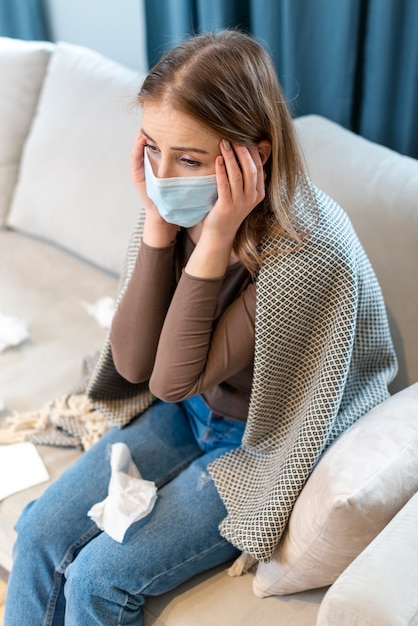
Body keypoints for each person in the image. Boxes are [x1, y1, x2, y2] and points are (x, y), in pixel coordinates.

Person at [5, 29, 397, 625]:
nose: (163, 176)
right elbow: (135, 365)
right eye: (153, 149)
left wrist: (213, 242)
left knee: (97, 580)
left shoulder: (307, 254)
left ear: (254, 155)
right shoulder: (174, 205)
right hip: (190, 411)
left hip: (260, 441)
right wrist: (161, 231)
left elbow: (170, 380)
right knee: (37, 532)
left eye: (188, 159)